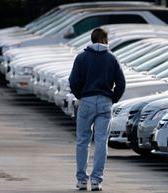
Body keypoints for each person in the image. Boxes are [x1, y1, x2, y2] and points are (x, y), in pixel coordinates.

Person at [68, 27, 126, 191]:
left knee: (82, 141)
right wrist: (112, 98)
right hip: (105, 102)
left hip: (86, 100)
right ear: (106, 40)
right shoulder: (112, 59)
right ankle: (95, 181)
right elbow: (121, 83)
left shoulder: (81, 57)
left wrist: (81, 95)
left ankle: (81, 180)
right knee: (101, 142)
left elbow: (73, 81)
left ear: (92, 40)